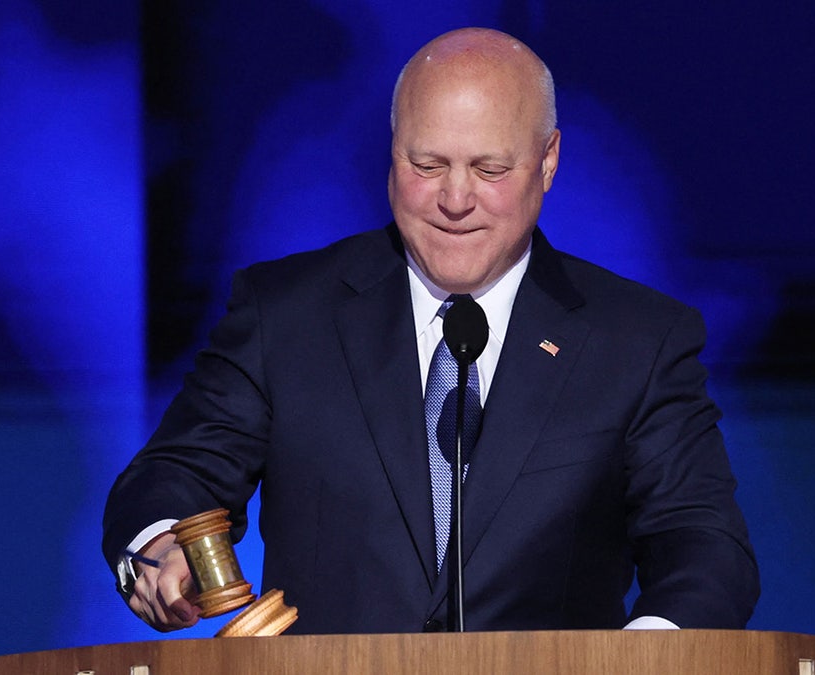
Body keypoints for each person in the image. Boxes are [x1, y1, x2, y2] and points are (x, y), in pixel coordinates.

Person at [103, 26, 758, 634]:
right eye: (427, 165)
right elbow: (178, 471)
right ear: (390, 155)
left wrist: (644, 655)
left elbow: (703, 545)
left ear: (549, 160)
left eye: (489, 169)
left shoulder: (638, 341)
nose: (455, 198)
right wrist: (160, 546)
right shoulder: (286, 314)